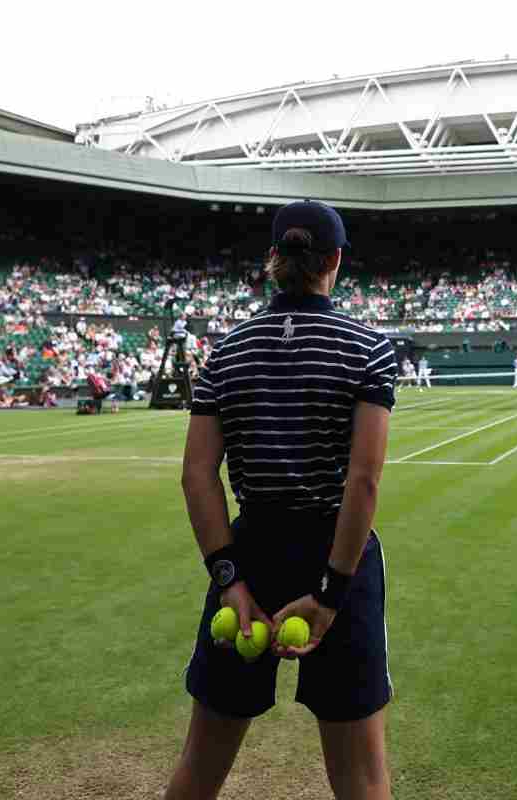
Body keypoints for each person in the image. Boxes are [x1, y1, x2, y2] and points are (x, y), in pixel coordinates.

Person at [165, 201, 396, 800]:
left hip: (251, 553)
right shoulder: (368, 349)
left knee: (199, 768)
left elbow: (197, 476)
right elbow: (363, 482)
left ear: (274, 259)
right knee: (361, 778)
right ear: (336, 261)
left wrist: (231, 581)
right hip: (335, 556)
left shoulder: (227, 351)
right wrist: (331, 593)